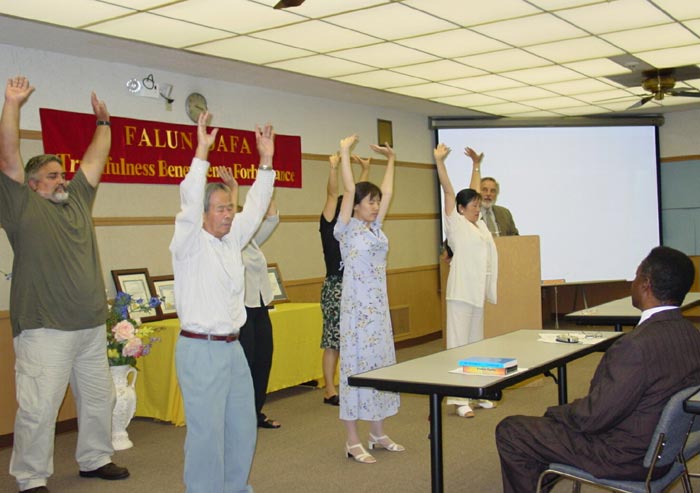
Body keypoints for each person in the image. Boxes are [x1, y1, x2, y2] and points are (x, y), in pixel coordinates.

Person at [0, 75, 128, 493]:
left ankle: (95, 458)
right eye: (53, 176)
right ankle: (31, 476)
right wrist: (12, 103)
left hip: (89, 325)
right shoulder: (19, 206)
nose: (62, 180)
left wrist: (103, 123)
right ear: (32, 184)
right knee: (39, 408)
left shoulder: (77, 200)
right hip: (43, 328)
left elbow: (94, 160)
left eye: (62, 174)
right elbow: (8, 156)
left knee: (99, 398)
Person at [496, 246, 700, 493]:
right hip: (665, 450)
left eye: (636, 276)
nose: (633, 283)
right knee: (545, 433)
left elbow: (593, 417)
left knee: (512, 431)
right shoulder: (691, 334)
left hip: (624, 455)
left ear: (646, 284)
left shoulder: (635, 347)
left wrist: (558, 413)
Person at [170, 111, 275, 493]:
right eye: (220, 208)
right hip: (200, 350)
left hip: (232, 349)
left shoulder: (233, 239)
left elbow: (258, 205)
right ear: (202, 215)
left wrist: (266, 160)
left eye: (230, 208)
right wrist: (202, 152)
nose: (229, 214)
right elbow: (189, 199)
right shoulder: (188, 242)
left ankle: (235, 488)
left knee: (242, 427)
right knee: (206, 435)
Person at [335, 134, 403, 464]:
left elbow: (388, 192)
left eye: (377, 202)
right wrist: (344, 152)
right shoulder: (346, 229)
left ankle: (377, 432)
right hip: (356, 313)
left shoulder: (377, 228)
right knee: (355, 370)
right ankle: (352, 440)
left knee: (380, 367)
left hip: (378, 312)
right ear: (356, 206)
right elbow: (349, 188)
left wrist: (391, 160)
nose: (375, 206)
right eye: (370, 202)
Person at [434, 144, 498, 418]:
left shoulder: (479, 224)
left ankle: (477, 392)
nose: (477, 208)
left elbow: (472, 191)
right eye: (473, 206)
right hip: (460, 294)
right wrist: (440, 162)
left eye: (478, 205)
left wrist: (476, 165)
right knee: (459, 346)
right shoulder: (456, 223)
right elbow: (449, 191)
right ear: (460, 209)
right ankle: (460, 399)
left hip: (476, 294)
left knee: (476, 345)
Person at [319, 151, 370, 406]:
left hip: (355, 286)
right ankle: (330, 389)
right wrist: (333, 168)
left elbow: (360, 195)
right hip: (336, 286)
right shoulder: (331, 223)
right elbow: (332, 194)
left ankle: (353, 382)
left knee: (356, 338)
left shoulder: (354, 228)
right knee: (334, 341)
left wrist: (365, 171)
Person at [239, 193, 281, 429]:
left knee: (263, 359)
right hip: (242, 309)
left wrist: (268, 189)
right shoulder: (228, 246)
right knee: (246, 362)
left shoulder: (252, 242)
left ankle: (255, 412)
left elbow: (272, 218)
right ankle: (241, 415)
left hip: (261, 305)